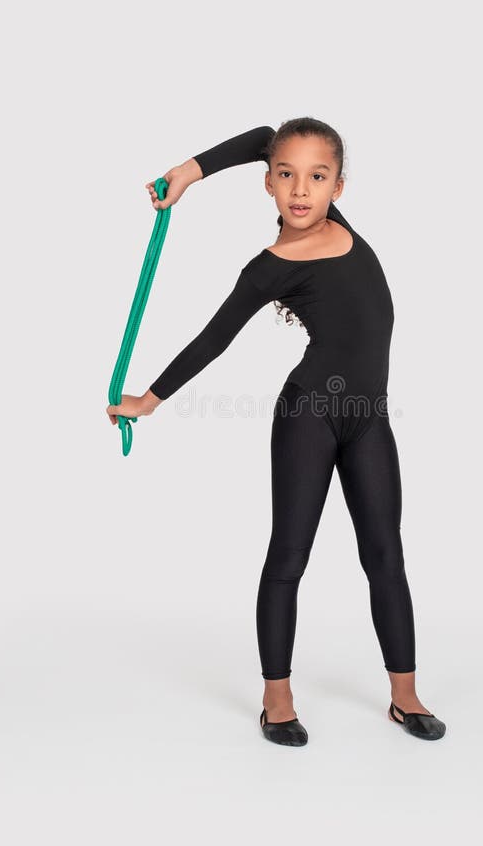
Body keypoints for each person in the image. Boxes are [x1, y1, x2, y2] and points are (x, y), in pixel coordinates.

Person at [106, 120, 447, 745]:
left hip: (370, 419)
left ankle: (405, 696)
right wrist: (148, 401)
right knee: (289, 557)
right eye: (285, 174)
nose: (300, 187)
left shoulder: (338, 224)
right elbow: (212, 341)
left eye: (317, 177)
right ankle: (278, 701)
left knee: (387, 558)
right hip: (307, 417)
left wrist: (189, 171)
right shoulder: (268, 269)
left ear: (338, 186)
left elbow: (266, 132)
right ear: (268, 184)